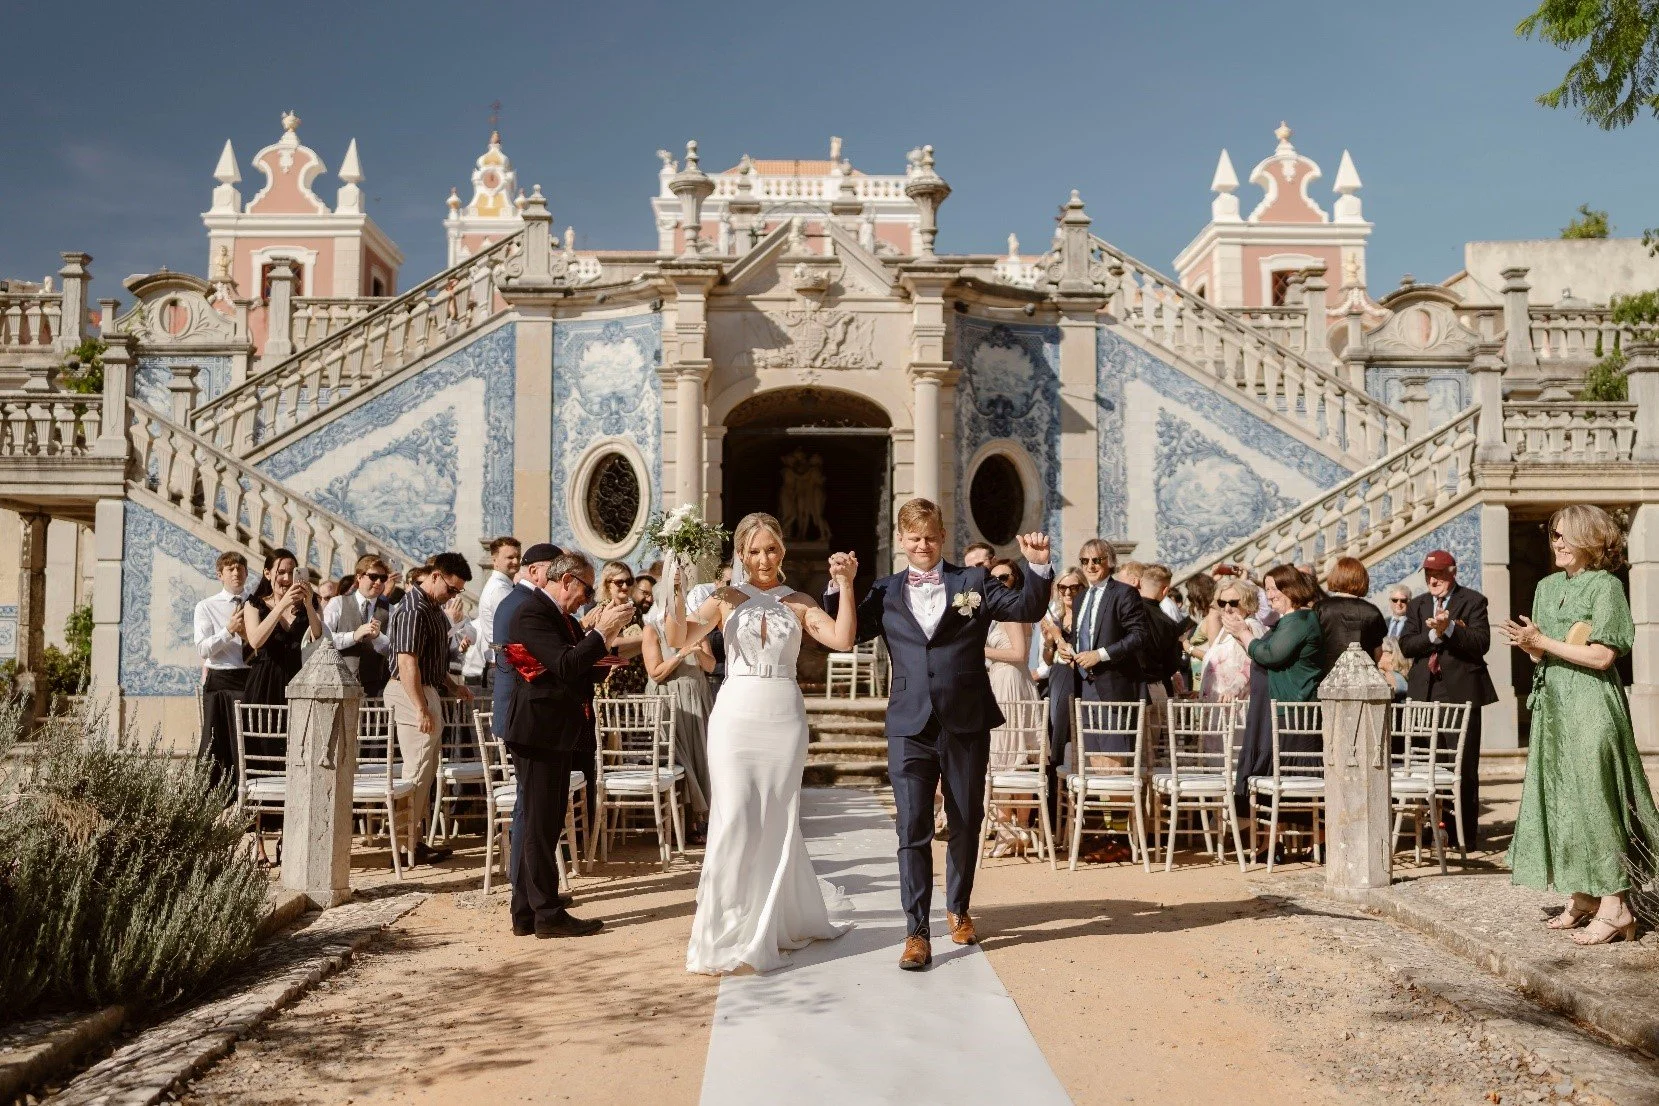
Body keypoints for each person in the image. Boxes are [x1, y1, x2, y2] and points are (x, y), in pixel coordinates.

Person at [825, 499, 1052, 970]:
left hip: (965, 718)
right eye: (913, 538)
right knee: (912, 828)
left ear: (942, 537)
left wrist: (1038, 565)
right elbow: (849, 631)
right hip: (909, 722)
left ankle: (959, 907)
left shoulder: (972, 582)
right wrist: (841, 585)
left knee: (966, 819)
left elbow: (1027, 606)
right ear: (902, 541)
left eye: (929, 537)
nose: (922, 545)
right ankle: (916, 932)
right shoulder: (885, 590)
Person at [675, 512, 859, 974]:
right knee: (734, 815)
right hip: (735, 713)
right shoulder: (723, 599)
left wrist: (848, 584)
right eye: (754, 551)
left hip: (783, 715)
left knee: (777, 817)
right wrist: (675, 588)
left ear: (783, 552)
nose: (763, 558)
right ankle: (725, 925)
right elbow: (678, 637)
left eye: (771, 549)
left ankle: (769, 925)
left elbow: (841, 638)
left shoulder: (797, 601)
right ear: (740, 554)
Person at [1501, 505, 1659, 945]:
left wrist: (1542, 642)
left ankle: (1617, 906)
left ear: (1591, 539)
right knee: (1561, 799)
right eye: (1553, 536)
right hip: (1553, 707)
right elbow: (1542, 654)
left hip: (1591, 706)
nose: (1558, 543)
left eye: (1567, 536)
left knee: (1595, 800)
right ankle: (1584, 896)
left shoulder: (1606, 586)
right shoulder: (1545, 586)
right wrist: (1530, 646)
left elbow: (1603, 655)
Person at [501, 550, 633, 939]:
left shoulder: (559, 616)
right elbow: (565, 665)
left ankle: (526, 911)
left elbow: (579, 668)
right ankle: (547, 914)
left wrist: (601, 642)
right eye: (587, 589)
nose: (588, 598)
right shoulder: (532, 612)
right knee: (541, 826)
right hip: (537, 731)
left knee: (544, 822)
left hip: (553, 730)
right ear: (568, 581)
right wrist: (599, 633)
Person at [1398, 549, 1497, 851]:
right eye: (1429, 574)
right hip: (1425, 693)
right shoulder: (1417, 605)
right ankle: (1429, 828)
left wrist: (1450, 628)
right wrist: (1433, 637)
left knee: (1462, 765)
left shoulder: (1473, 601)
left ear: (1452, 572)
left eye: (1439, 574)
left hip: (1461, 693)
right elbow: (1406, 645)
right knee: (1425, 763)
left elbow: (1481, 643)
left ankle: (1462, 834)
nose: (1433, 580)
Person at [386, 551, 474, 866]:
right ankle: (404, 845)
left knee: (425, 772)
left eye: (457, 592)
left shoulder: (432, 608)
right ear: (435, 576)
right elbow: (407, 664)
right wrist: (421, 708)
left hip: (426, 691)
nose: (453, 595)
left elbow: (431, 663)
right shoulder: (412, 610)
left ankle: (414, 840)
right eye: (451, 588)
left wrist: (451, 686)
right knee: (416, 771)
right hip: (411, 693)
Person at [1227, 564, 1323, 829]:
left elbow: (1271, 655)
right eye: (1267, 589)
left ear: (1290, 588)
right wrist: (1242, 637)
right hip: (1279, 710)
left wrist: (1244, 634)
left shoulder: (1301, 620)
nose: (1269, 595)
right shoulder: (1286, 622)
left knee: (1297, 780)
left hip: (1295, 711)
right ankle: (1275, 841)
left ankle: (1316, 840)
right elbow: (1264, 652)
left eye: (1274, 589)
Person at [643, 581, 715, 828]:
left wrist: (698, 651)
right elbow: (655, 672)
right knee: (680, 758)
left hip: (697, 697)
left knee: (702, 757)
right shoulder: (652, 629)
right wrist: (681, 653)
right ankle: (683, 822)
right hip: (669, 700)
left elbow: (710, 666)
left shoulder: (696, 627)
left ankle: (701, 819)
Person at [984, 557, 1039, 857]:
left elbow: (1019, 653)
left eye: (1004, 578)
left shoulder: (1011, 611)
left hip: (1009, 684)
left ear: (1015, 580)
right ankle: (1018, 830)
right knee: (1014, 760)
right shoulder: (1009, 610)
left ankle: (1010, 829)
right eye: (993, 579)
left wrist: (979, 649)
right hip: (1007, 681)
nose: (998, 582)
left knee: (1006, 758)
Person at [194, 550, 253, 787]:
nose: (236, 572)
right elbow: (203, 649)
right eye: (230, 569)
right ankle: (213, 801)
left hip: (249, 678)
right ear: (220, 574)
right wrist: (228, 631)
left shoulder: (255, 604)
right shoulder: (206, 607)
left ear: (247, 573)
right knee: (216, 743)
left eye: (240, 568)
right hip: (221, 680)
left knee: (248, 741)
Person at [242, 548, 323, 706]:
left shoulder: (312, 603)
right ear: (267, 574)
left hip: (301, 678)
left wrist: (308, 606)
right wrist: (281, 606)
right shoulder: (254, 605)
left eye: (293, 572)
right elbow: (255, 641)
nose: (287, 578)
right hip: (266, 681)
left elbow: (318, 637)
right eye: (281, 572)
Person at [1038, 566, 1085, 816]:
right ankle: (1056, 810)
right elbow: (1047, 660)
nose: (1068, 592)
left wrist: (1059, 638)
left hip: (1082, 679)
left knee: (1078, 738)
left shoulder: (1087, 617)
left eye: (1074, 587)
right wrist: (1048, 641)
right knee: (1058, 736)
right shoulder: (1054, 616)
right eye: (1063, 587)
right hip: (1059, 677)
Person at [323, 555, 394, 699]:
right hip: (339, 684)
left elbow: (394, 649)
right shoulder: (338, 603)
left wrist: (378, 638)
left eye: (383, 578)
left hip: (376, 687)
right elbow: (324, 640)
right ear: (359, 577)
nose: (378, 582)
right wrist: (353, 636)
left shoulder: (391, 610)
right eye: (373, 577)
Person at [463, 537, 521, 694]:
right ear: (495, 560)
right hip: (504, 664)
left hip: (501, 662)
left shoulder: (504, 586)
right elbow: (515, 629)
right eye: (510, 557)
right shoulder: (499, 590)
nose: (516, 561)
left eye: (518, 557)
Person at [1314, 556, 1388, 676]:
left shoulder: (1321, 608)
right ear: (1362, 579)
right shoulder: (1372, 612)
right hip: (1363, 680)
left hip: (1327, 679)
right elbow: (1378, 653)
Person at [1199, 577, 1263, 703]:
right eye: (1222, 603)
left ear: (1248, 603)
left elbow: (1258, 665)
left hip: (1237, 706)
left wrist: (1234, 689)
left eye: (1233, 603)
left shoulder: (1250, 626)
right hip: (1218, 708)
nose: (1227, 608)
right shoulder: (1226, 628)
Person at [1377, 636, 1410, 701]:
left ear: (1393, 654)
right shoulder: (1402, 676)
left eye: (1381, 651)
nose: (1377, 654)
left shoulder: (1391, 676)